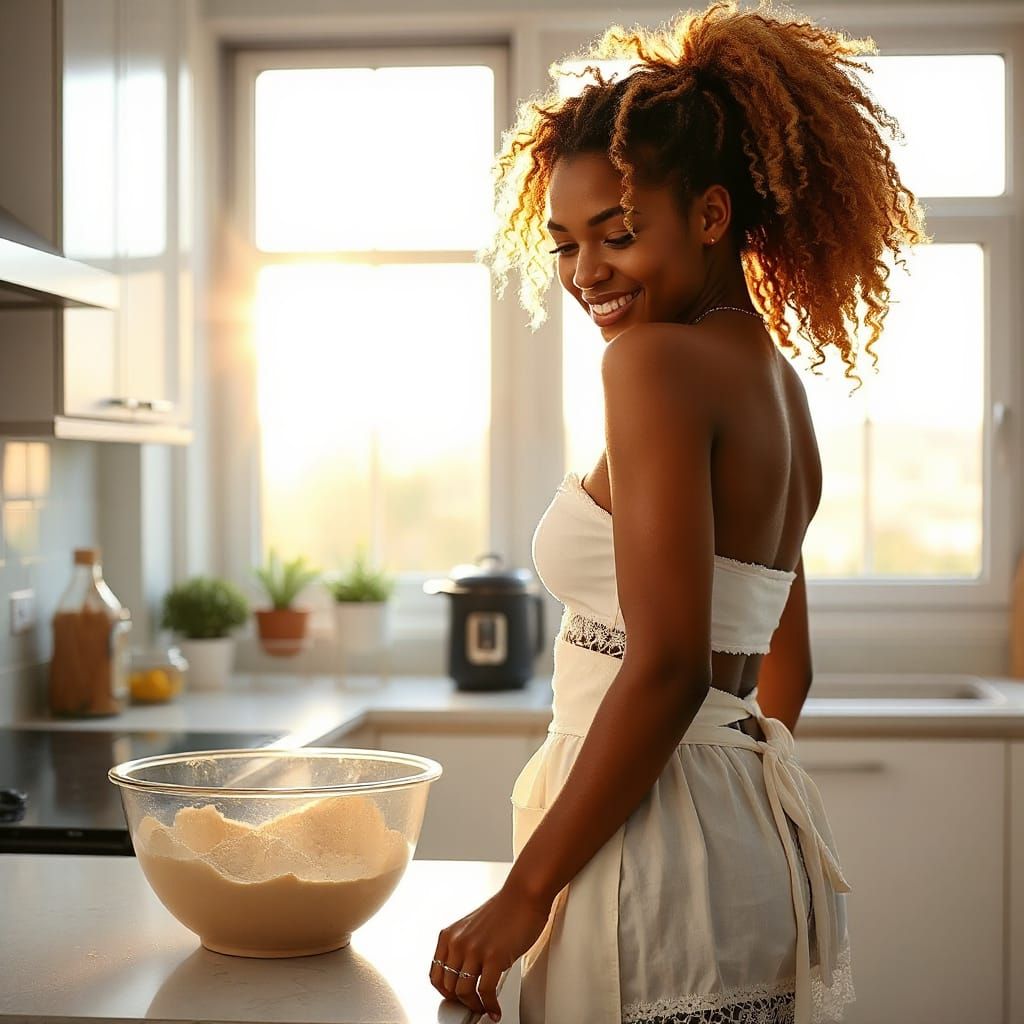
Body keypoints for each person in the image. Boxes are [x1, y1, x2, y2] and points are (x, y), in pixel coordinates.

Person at [430, 1, 928, 1022]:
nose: (584, 275)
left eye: (617, 234)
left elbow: (663, 669)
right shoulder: (775, 387)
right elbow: (779, 669)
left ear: (709, 216)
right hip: (737, 857)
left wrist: (528, 892)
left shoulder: (651, 365)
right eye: (565, 244)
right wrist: (718, 802)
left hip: (645, 873)